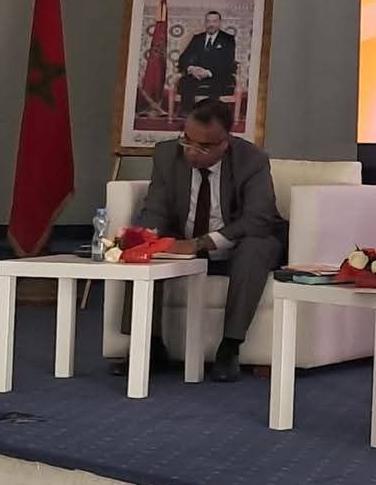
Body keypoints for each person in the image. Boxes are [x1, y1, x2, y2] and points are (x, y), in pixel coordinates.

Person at [111, 99, 286, 382]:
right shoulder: (167, 154)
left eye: (203, 147)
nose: (191, 152)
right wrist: (141, 238)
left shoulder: (251, 160)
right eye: (187, 141)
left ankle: (229, 347)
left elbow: (259, 218)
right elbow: (156, 208)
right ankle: (148, 345)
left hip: (237, 242)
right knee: (142, 246)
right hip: (185, 241)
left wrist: (201, 243)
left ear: (224, 143)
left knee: (256, 247)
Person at [176, 11, 237, 110]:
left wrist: (208, 72)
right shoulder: (197, 38)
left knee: (217, 85)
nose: (211, 24)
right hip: (196, 75)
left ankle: (210, 114)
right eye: (208, 21)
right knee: (185, 82)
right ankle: (188, 114)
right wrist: (192, 69)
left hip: (217, 75)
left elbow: (228, 62)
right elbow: (184, 58)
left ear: (220, 23)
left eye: (214, 21)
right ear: (205, 23)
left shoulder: (228, 39)